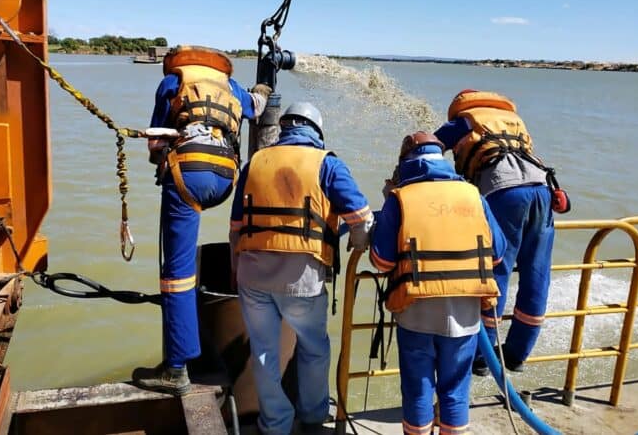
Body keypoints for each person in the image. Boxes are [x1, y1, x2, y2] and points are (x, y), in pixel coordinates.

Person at [229, 101, 373, 435]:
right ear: (317, 131)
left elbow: (236, 228)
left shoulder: (255, 163)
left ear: (283, 128)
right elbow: (362, 218)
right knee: (314, 348)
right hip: (302, 279)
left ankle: (274, 425)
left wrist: (236, 270)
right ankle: (312, 415)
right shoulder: (327, 164)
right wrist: (357, 244)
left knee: (263, 353)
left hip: (252, 276)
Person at [135, 45, 272, 396]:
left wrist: (161, 159)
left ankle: (176, 370)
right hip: (226, 177)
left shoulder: (172, 82)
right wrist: (262, 88)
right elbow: (257, 107)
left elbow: (155, 142)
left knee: (177, 275)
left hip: (188, 175)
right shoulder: (231, 86)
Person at [370, 131, 506, 435]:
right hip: (465, 314)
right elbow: (498, 254)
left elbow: (381, 261)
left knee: (418, 391)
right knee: (455, 392)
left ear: (405, 162)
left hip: (416, 313)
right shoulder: (473, 195)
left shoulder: (400, 198)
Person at [434, 89, 560, 376]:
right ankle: (517, 354)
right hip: (542, 190)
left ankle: (483, 356)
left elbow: (428, 146)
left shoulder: (465, 120)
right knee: (537, 273)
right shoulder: (513, 119)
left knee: (494, 272)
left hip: (503, 192)